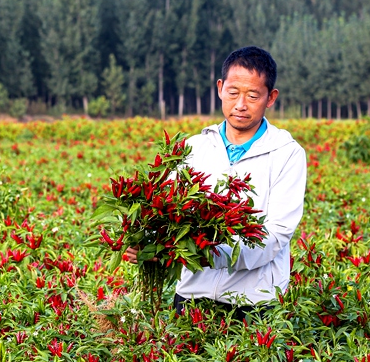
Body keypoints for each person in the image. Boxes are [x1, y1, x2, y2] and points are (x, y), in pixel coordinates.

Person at [123, 46, 307, 317]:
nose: (240, 105)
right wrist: (150, 243)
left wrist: (207, 253)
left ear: (270, 98)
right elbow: (167, 211)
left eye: (253, 95)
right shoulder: (193, 148)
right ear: (220, 88)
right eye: (233, 93)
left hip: (254, 303)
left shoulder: (287, 153)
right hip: (191, 296)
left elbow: (275, 235)